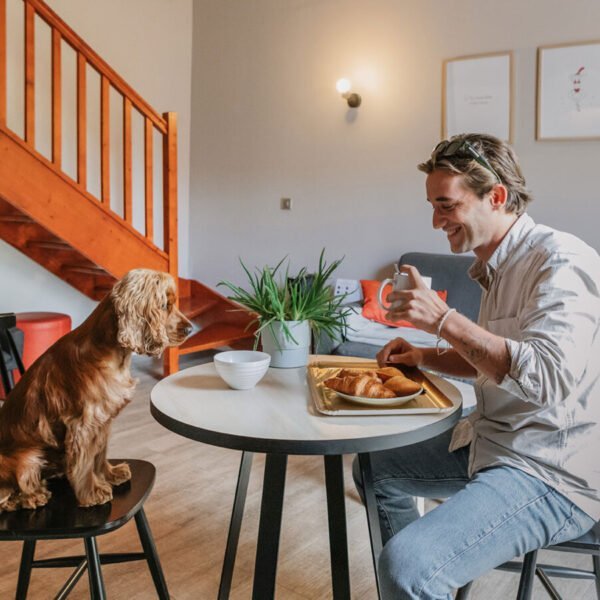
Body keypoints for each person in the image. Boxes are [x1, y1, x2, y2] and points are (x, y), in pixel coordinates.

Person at [353, 133, 600, 599]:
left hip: (551, 470)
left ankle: (420, 579)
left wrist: (444, 321)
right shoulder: (496, 266)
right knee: (374, 466)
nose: (434, 221)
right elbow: (498, 361)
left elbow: (545, 375)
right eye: (432, 206)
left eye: (446, 206)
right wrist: (423, 356)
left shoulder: (562, 261)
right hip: (493, 442)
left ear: (497, 197)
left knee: (408, 567)